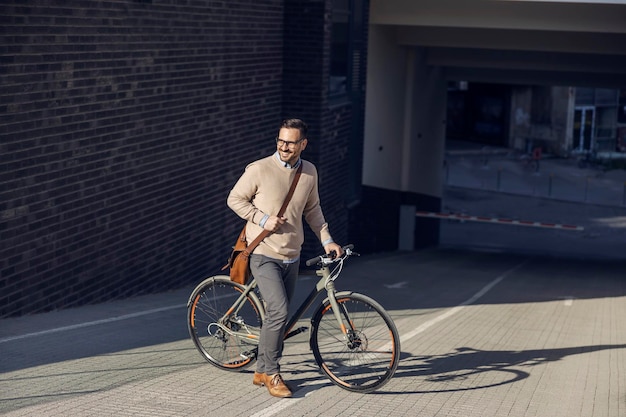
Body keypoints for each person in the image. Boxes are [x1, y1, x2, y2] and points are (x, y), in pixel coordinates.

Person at [227, 118, 343, 398]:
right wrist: (263, 219)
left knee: (278, 316)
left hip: (292, 256)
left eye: (290, 142)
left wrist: (327, 240)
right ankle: (270, 372)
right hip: (263, 253)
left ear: (303, 144)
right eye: (280, 140)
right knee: (278, 312)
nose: (284, 146)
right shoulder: (259, 169)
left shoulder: (309, 172)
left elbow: (312, 210)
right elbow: (235, 199)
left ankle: (260, 370)